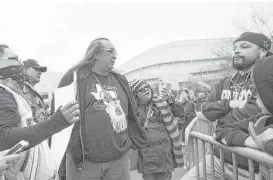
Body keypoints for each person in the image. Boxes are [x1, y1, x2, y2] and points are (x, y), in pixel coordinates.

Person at [181, 32, 273, 179]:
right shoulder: (225, 82)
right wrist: (229, 104)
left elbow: (253, 114)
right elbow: (201, 112)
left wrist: (218, 112)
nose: (236, 50)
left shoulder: (267, 79)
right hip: (219, 157)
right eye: (235, 47)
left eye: (244, 46)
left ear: (262, 52)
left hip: (253, 167)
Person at [57, 38, 147, 180]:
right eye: (110, 51)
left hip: (119, 160)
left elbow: (132, 112)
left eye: (115, 52)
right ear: (96, 54)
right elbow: (59, 115)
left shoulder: (120, 80)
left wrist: (128, 141)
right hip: (84, 163)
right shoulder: (74, 77)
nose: (115, 56)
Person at [0, 44, 80, 180]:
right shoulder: (3, 92)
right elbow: (4, 137)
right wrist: (57, 122)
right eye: (14, 59)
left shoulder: (11, 92)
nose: (20, 65)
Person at [213, 55, 273, 180]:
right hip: (226, 163)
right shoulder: (263, 118)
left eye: (257, 90)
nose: (254, 96)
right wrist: (252, 141)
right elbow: (220, 130)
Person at [129, 79, 183, 180]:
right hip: (147, 154)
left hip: (164, 152)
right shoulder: (133, 109)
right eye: (141, 89)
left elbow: (179, 113)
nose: (146, 90)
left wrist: (170, 99)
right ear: (135, 95)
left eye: (147, 87)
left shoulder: (160, 101)